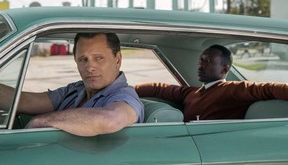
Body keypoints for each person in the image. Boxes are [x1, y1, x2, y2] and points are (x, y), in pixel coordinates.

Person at [0, 33, 144, 136]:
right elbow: (24, 101)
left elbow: (110, 119)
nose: (89, 67)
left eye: (99, 58)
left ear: (118, 59)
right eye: (83, 59)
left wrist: (42, 121)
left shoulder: (124, 95)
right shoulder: (75, 90)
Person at [134, 44, 288, 121]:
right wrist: (125, 91)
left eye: (208, 61)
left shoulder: (232, 89)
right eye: (201, 60)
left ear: (224, 69)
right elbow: (158, 89)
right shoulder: (191, 92)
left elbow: (269, 88)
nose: (201, 65)